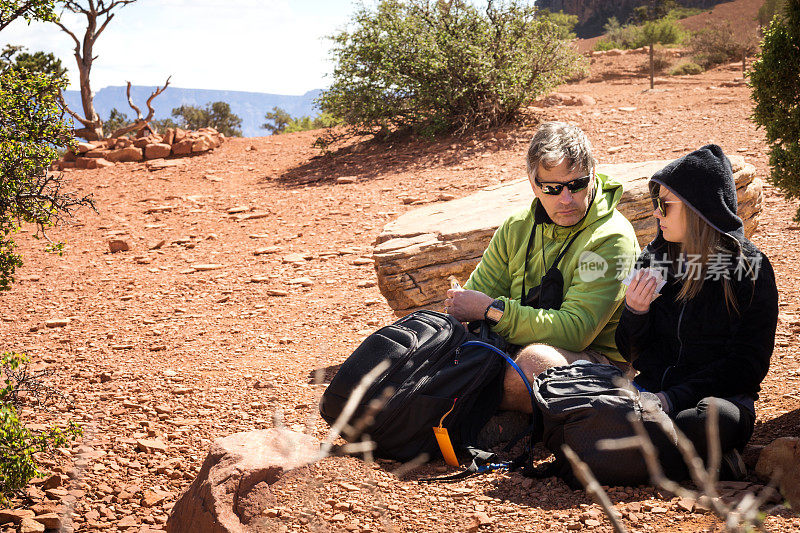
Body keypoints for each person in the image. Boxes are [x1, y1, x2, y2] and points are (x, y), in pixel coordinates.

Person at [444, 121, 639, 413]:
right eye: (551, 188)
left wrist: (492, 311)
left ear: (593, 174)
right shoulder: (517, 227)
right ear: (533, 183)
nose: (566, 199)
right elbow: (476, 293)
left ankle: (483, 416)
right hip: (516, 343)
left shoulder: (611, 239)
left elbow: (576, 331)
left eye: (577, 184)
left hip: (598, 360)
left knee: (534, 365)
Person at [615, 144, 778, 479]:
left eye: (664, 205)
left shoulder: (750, 268)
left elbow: (747, 366)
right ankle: (697, 462)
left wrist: (672, 398)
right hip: (651, 397)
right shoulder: (654, 259)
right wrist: (635, 312)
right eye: (654, 203)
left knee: (705, 421)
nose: (656, 213)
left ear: (697, 209)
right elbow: (630, 352)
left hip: (715, 401)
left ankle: (639, 457)